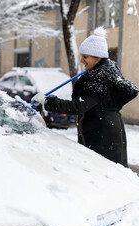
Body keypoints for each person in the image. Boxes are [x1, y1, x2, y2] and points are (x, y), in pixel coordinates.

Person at [32, 26, 138, 167]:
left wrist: (48, 101)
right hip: (106, 130)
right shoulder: (103, 73)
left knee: (102, 174)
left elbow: (78, 106)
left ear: (97, 57)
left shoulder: (100, 78)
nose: (81, 60)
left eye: (85, 56)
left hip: (102, 135)